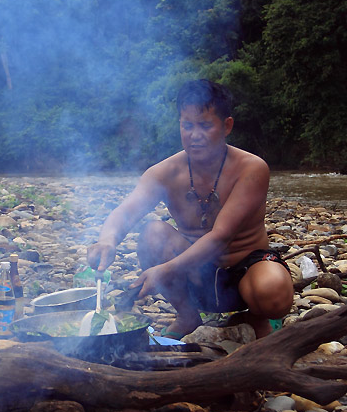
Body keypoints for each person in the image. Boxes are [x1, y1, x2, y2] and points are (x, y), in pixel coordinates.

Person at [87, 79, 293, 339]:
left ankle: (253, 318)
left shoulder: (251, 168)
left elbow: (220, 237)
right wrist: (107, 240)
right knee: (153, 234)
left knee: (274, 291)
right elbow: (126, 211)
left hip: (244, 269)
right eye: (187, 125)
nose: (195, 135)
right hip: (196, 275)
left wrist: (163, 270)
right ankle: (187, 315)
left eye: (205, 125)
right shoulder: (165, 172)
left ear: (226, 125)